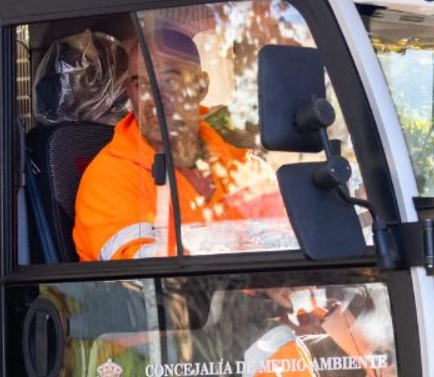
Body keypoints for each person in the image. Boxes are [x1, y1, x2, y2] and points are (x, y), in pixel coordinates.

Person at [73, 28, 286, 262]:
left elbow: (285, 245)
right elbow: (148, 276)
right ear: (129, 93)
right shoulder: (109, 179)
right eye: (140, 84)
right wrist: (253, 279)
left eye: (170, 81)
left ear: (201, 87)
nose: (154, 99)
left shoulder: (246, 168)